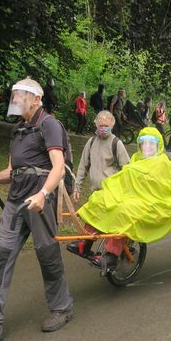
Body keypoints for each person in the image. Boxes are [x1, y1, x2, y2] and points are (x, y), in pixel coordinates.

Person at [0, 77, 74, 341]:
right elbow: (12, 170)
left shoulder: (50, 125)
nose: (17, 100)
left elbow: (57, 168)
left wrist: (44, 194)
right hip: (16, 201)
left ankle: (62, 308)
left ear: (37, 99)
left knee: (47, 256)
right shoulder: (19, 129)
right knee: (0, 257)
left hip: (40, 201)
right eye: (15, 96)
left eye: (22, 95)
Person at [78, 127, 171, 272]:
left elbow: (161, 188)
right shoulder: (135, 158)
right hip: (128, 195)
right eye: (143, 143)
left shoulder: (161, 162)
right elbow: (125, 179)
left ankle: (111, 256)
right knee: (99, 199)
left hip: (150, 201)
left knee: (124, 212)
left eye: (151, 143)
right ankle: (84, 242)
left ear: (158, 145)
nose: (147, 147)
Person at [67, 110, 131, 257]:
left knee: (113, 224)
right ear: (96, 124)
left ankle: (111, 255)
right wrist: (77, 187)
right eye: (100, 125)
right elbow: (83, 166)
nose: (103, 128)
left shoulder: (117, 143)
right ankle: (84, 245)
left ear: (112, 125)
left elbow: (127, 169)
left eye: (106, 125)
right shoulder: (91, 142)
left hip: (112, 194)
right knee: (92, 216)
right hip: (96, 192)